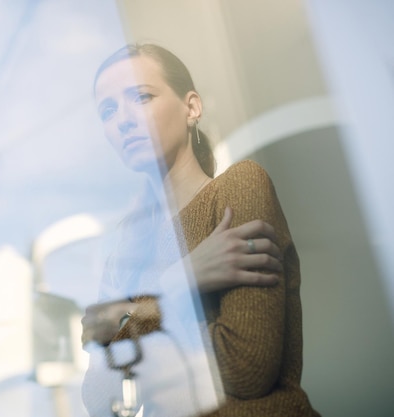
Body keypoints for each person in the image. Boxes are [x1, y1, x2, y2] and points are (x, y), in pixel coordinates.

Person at [81, 44, 319, 416]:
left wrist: (132, 323)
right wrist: (178, 283)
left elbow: (245, 370)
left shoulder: (238, 188)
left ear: (191, 108)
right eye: (108, 111)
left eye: (141, 97)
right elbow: (98, 400)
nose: (123, 119)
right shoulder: (122, 251)